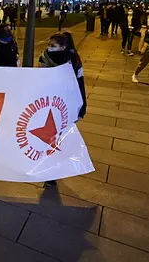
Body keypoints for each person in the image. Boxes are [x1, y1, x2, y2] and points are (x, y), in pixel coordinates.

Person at [38, 32, 87, 187]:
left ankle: (52, 171)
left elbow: (80, 83)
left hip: (64, 104)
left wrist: (82, 106)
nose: (49, 48)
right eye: (49, 45)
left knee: (57, 139)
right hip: (46, 103)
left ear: (63, 47)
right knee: (46, 137)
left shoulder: (73, 61)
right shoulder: (44, 57)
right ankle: (47, 169)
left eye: (53, 46)